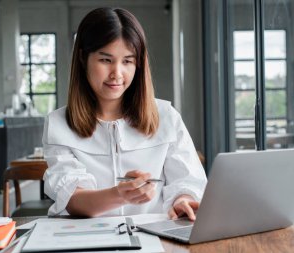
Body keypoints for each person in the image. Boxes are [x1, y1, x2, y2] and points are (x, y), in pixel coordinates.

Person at [42, 7, 207, 220]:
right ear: (83, 58)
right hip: (88, 241)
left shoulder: (167, 116)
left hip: (155, 240)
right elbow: (73, 200)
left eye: (127, 61)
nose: (117, 74)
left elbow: (187, 180)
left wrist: (182, 200)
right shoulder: (58, 124)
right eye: (105, 60)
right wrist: (120, 195)